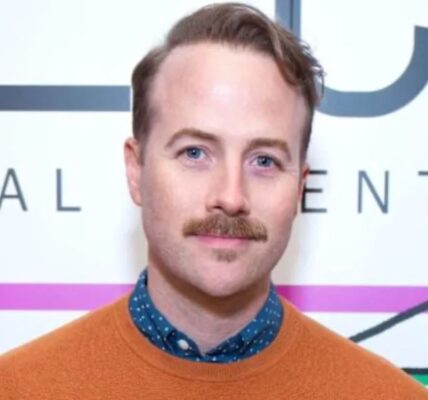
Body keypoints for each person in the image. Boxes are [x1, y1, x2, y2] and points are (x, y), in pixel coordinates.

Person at [0, 3, 427, 399]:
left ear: (299, 187)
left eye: (264, 160)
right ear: (136, 169)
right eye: (194, 153)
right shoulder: (17, 387)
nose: (230, 196)